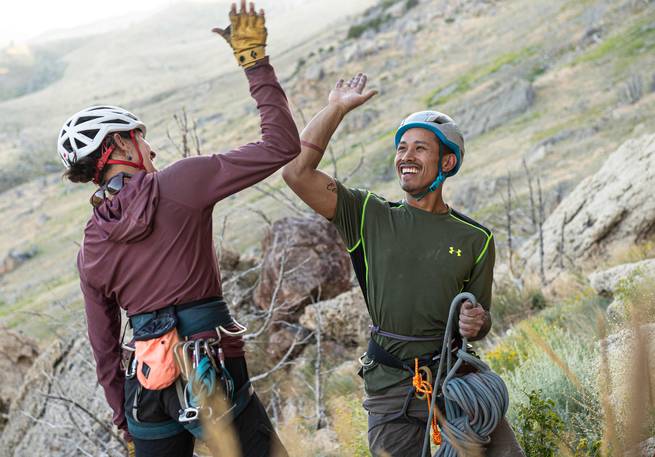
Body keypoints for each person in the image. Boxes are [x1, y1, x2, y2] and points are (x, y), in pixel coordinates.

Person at [58, 2, 296, 456]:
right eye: (139, 136)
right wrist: (255, 62)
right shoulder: (181, 184)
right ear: (120, 145)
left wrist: (123, 417)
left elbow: (104, 347)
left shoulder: (91, 247)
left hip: (146, 390)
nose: (149, 146)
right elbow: (281, 144)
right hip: (212, 367)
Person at [281, 73, 525, 456]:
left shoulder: (475, 239)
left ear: (448, 160)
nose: (406, 156)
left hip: (455, 378)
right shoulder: (367, 215)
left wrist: (477, 322)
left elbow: (482, 320)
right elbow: (296, 172)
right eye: (401, 148)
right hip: (390, 381)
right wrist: (336, 109)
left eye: (420, 149)